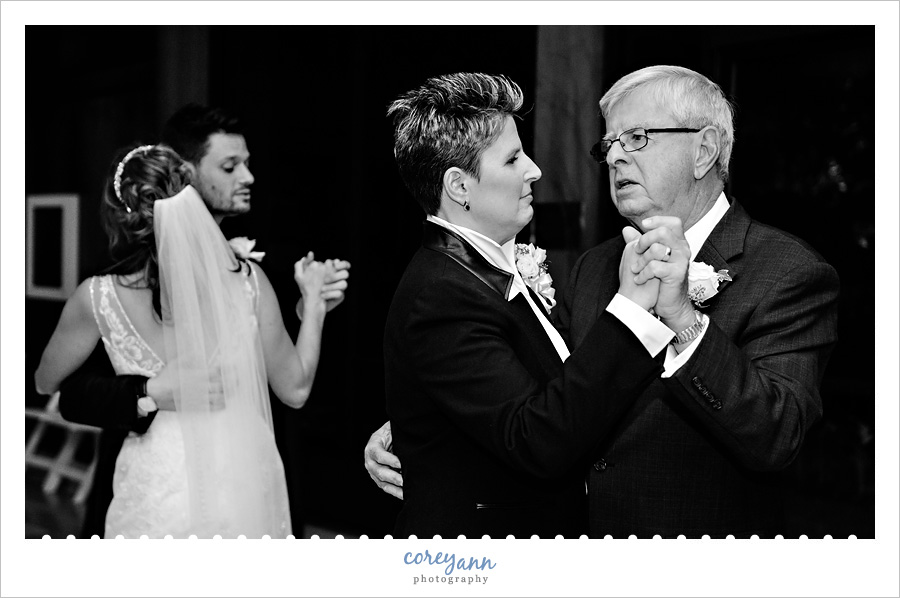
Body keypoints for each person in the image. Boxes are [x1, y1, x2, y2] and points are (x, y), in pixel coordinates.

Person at [365, 65, 840, 538]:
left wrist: (684, 319)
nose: (613, 157)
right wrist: (424, 421)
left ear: (704, 151)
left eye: (636, 138)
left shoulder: (787, 272)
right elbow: (546, 392)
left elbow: (778, 435)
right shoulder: (595, 266)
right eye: (609, 143)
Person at [380, 72, 691, 539]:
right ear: (459, 187)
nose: (535, 170)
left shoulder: (485, 271)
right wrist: (631, 308)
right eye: (512, 159)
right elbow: (536, 438)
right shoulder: (443, 293)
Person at [52, 104, 350, 538]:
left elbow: (282, 379)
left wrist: (307, 309)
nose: (248, 177)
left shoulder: (253, 268)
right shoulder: (117, 278)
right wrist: (147, 392)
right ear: (186, 173)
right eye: (230, 166)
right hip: (155, 486)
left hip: (248, 486)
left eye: (247, 163)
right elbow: (73, 392)